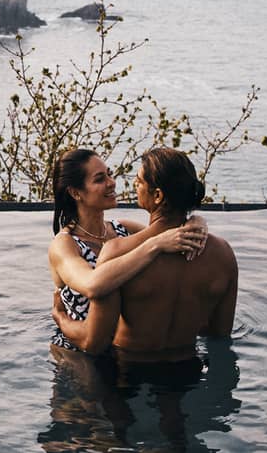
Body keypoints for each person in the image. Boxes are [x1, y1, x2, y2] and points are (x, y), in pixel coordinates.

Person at [74, 147, 237, 368]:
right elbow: (219, 335)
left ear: (158, 195)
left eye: (139, 181)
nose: (134, 185)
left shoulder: (117, 252)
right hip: (187, 369)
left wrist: (61, 318)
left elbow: (96, 342)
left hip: (128, 371)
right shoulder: (223, 255)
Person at [48, 148, 208, 355]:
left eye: (109, 174)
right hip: (77, 352)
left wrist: (196, 221)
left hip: (122, 349)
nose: (112, 182)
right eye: (99, 179)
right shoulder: (64, 244)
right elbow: (93, 285)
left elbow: (171, 229)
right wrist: (60, 318)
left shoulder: (123, 229)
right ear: (75, 192)